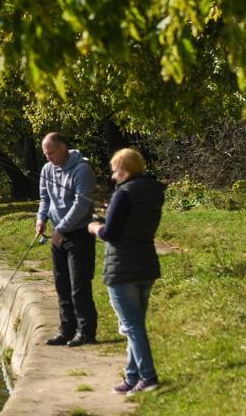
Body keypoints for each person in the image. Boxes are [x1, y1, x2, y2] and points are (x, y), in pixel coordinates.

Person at [90, 147, 165, 394]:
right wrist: (111, 211)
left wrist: (94, 227)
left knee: (132, 326)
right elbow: (131, 220)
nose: (112, 176)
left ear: (125, 169)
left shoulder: (124, 194)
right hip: (146, 263)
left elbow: (110, 233)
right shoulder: (153, 191)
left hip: (123, 267)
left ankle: (148, 376)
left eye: (115, 171)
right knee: (135, 324)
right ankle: (132, 377)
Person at [35, 132, 97, 346]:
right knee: (61, 284)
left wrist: (61, 228)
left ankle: (86, 331)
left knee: (79, 285)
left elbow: (81, 204)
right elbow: (44, 198)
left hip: (79, 233)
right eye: (45, 154)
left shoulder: (82, 170)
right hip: (57, 234)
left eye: (51, 153)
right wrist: (41, 218)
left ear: (63, 148)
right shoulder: (46, 169)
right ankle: (66, 329)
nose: (48, 158)